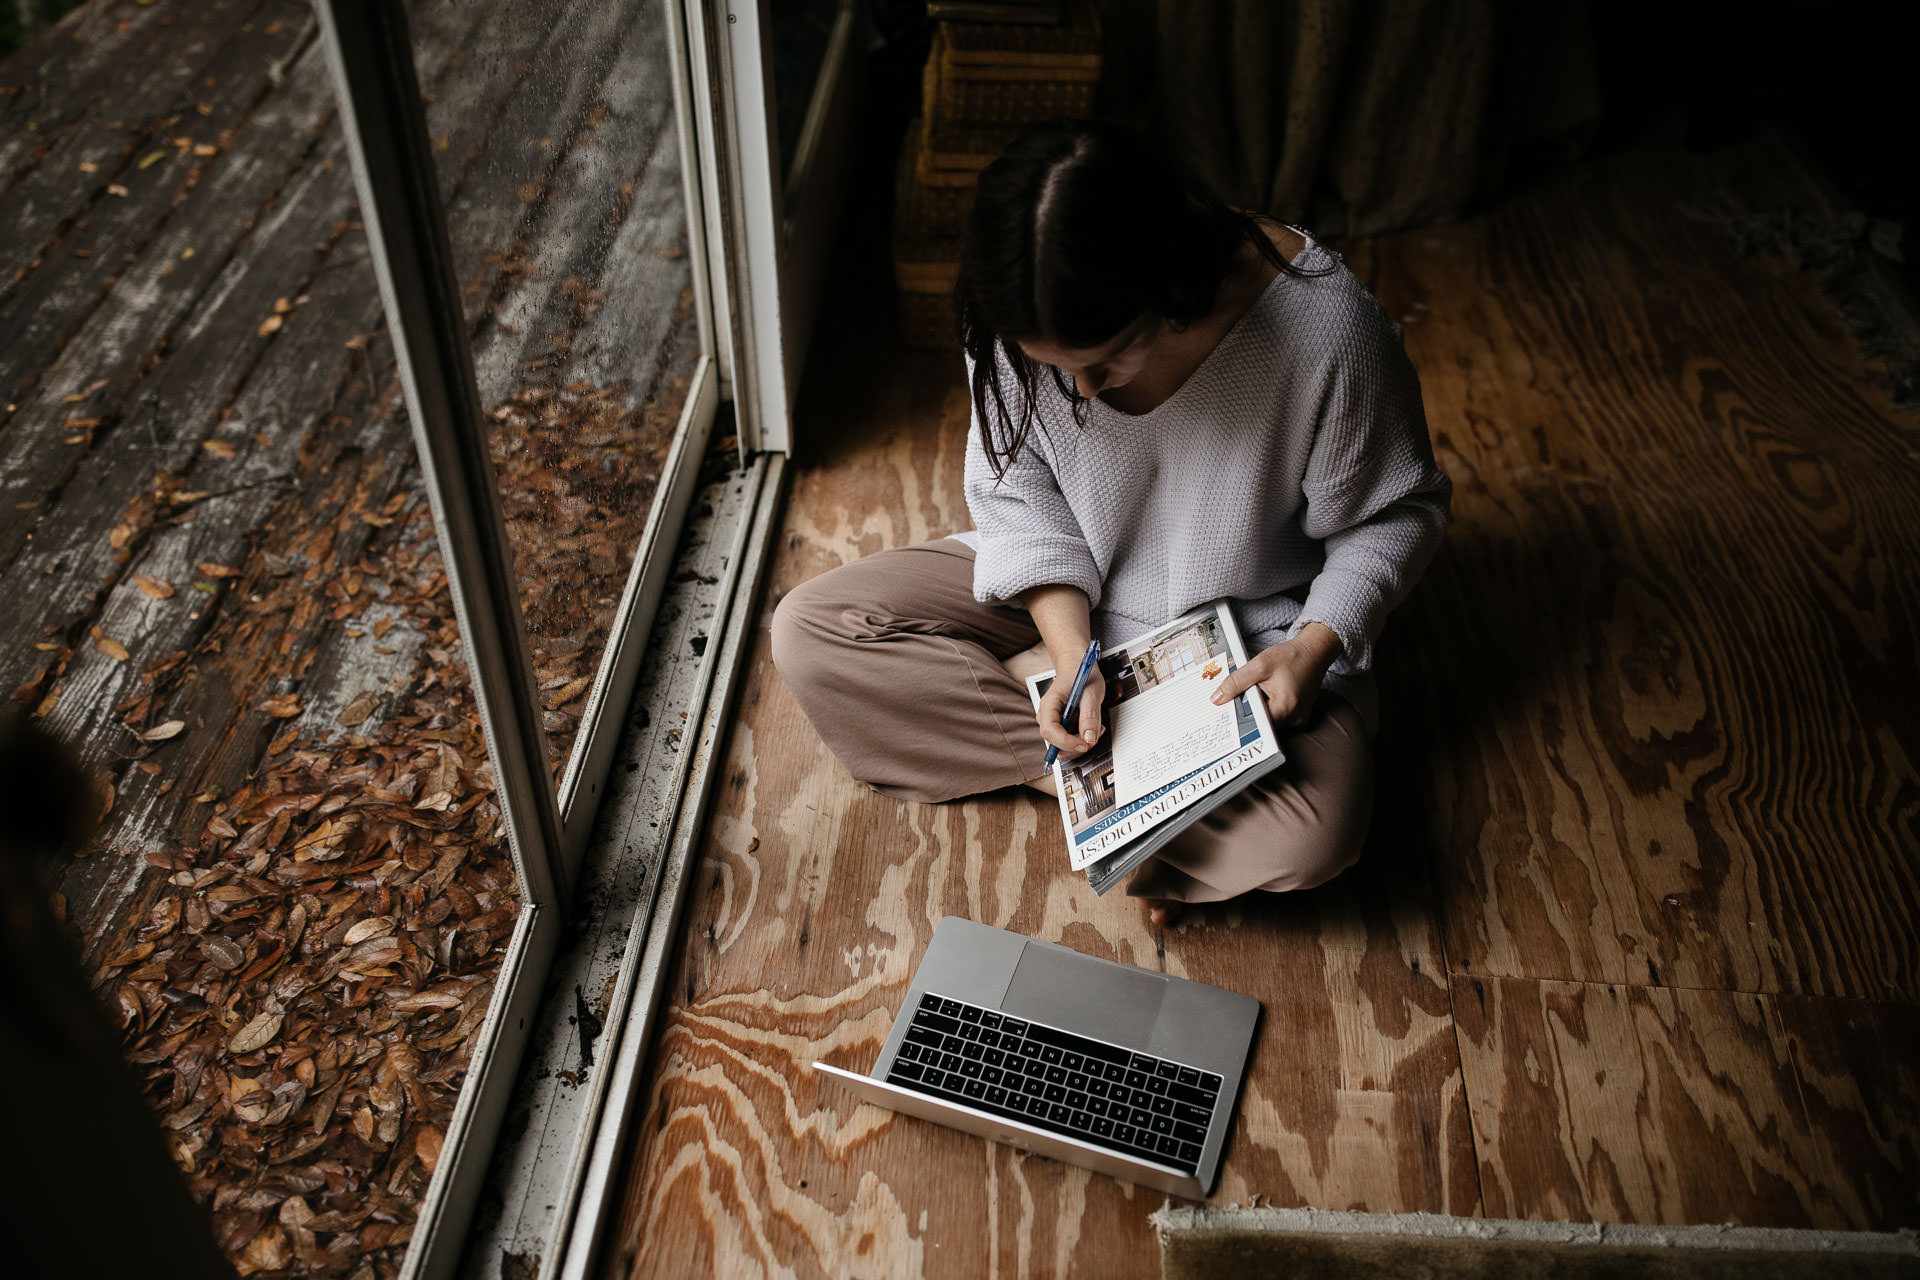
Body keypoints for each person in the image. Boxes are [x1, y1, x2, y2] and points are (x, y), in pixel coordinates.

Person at [772, 119, 1450, 924]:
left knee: (1318, 838)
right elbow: (1019, 495)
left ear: (1168, 281)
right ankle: (1141, 808)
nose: (1084, 393)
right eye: (1056, 367)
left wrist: (1311, 649)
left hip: (1252, 636)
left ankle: (1092, 782)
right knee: (812, 632)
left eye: (1109, 357)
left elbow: (1391, 518)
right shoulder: (1011, 315)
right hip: (1072, 589)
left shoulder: (1326, 332)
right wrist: (1069, 655)